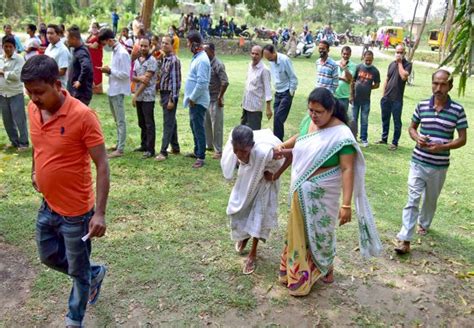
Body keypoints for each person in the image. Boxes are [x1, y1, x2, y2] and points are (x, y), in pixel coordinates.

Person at [21, 54, 110, 327]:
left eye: (39, 92)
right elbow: (38, 145)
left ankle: (74, 319)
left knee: (77, 272)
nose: (34, 99)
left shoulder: (83, 116)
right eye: (30, 92)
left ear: (57, 84)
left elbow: (103, 165)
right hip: (48, 205)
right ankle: (92, 272)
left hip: (77, 213)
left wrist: (101, 214)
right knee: (47, 256)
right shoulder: (32, 109)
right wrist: (35, 170)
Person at [272, 87, 382, 296]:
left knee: (322, 232)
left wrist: (346, 204)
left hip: (325, 191)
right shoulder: (309, 121)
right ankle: (297, 274)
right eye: (311, 110)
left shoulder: (341, 134)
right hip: (300, 188)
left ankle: (326, 267)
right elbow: (301, 138)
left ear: (331, 109)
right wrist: (283, 146)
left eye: (318, 111)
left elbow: (347, 168)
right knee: (299, 231)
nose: (313, 115)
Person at [394, 70, 468, 255]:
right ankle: (405, 239)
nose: (438, 88)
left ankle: (424, 223)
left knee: (430, 200)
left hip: (439, 166)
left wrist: (443, 147)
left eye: (443, 84)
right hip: (418, 161)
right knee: (412, 199)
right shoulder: (422, 105)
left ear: (450, 86)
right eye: (435, 83)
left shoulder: (457, 110)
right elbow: (411, 128)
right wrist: (417, 138)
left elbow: (462, 139)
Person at [221, 125, 284, 274]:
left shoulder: (264, 153)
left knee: (258, 216)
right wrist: (239, 155)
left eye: (244, 151)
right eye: (236, 150)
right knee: (241, 208)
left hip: (266, 182)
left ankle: (253, 253)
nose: (240, 155)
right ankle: (244, 236)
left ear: (252, 147)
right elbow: (234, 165)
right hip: (248, 179)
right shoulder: (234, 147)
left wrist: (276, 174)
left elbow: (291, 155)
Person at [98, 28, 131, 158]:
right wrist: (107, 70)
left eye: (104, 43)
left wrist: (110, 71)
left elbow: (125, 74)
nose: (104, 46)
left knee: (120, 120)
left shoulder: (122, 53)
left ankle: (121, 149)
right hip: (112, 89)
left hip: (118, 90)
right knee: (117, 120)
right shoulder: (114, 52)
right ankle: (118, 143)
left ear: (110, 40)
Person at [376, 44, 412, 150]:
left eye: (401, 52)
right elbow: (387, 79)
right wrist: (383, 95)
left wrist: (400, 63)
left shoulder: (407, 64)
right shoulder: (391, 64)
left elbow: (404, 76)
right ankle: (384, 138)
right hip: (387, 97)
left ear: (404, 53)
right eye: (397, 52)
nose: (399, 54)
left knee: (397, 121)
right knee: (385, 119)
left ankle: (395, 142)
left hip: (397, 99)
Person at [183, 31, 210, 169]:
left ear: (194, 43)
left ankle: (201, 156)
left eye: (188, 43)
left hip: (198, 101)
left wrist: (192, 98)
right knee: (194, 126)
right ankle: (197, 150)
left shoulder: (203, 60)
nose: (187, 45)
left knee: (198, 128)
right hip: (194, 100)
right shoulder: (197, 57)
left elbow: (202, 83)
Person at [263, 44, 298, 141]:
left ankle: (278, 142)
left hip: (286, 92)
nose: (269, 60)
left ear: (274, 52)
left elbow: (293, 77)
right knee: (277, 118)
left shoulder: (284, 60)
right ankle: (277, 140)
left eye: (269, 57)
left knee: (279, 117)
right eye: (266, 58)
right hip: (278, 92)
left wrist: (291, 92)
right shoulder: (271, 61)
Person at [155, 36, 181, 162]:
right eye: (162, 42)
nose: (164, 45)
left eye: (167, 43)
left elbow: (176, 82)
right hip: (164, 93)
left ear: (172, 45)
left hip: (170, 94)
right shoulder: (164, 59)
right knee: (171, 121)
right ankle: (175, 147)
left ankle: (163, 151)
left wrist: (172, 99)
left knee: (168, 123)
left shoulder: (174, 60)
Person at [0, 36, 29, 151]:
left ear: (14, 47)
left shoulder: (19, 59)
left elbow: (17, 76)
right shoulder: (1, 58)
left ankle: (24, 143)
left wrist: (2, 72)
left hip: (15, 93)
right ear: (2, 46)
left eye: (10, 47)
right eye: (5, 46)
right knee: (7, 120)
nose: (7, 49)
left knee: (19, 119)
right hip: (2, 94)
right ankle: (14, 141)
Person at [132, 37, 158, 159]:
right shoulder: (137, 60)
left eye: (145, 46)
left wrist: (135, 94)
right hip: (139, 96)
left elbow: (146, 81)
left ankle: (150, 149)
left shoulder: (152, 60)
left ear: (149, 46)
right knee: (141, 122)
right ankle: (144, 144)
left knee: (149, 123)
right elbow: (133, 76)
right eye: (141, 45)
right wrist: (139, 78)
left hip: (148, 96)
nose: (143, 48)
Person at [203, 43, 229, 159]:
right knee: (206, 123)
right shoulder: (205, 63)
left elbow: (225, 82)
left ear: (212, 52)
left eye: (206, 51)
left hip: (215, 99)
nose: (204, 53)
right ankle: (209, 145)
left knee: (216, 125)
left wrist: (220, 97)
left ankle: (218, 150)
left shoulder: (218, 64)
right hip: (206, 98)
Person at [351, 50, 380, 147]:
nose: (368, 62)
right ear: (363, 57)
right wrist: (351, 94)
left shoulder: (375, 71)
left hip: (366, 100)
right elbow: (353, 81)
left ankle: (364, 138)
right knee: (354, 119)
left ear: (372, 59)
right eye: (366, 60)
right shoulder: (358, 67)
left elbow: (377, 84)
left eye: (370, 60)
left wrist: (368, 87)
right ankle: (353, 137)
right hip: (355, 98)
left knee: (364, 120)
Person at [241, 45, 272, 131]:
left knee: (253, 132)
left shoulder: (264, 70)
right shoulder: (250, 65)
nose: (254, 56)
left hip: (255, 108)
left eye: (257, 54)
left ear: (261, 56)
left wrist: (268, 108)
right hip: (246, 105)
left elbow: (268, 89)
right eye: (252, 53)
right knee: (242, 131)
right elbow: (248, 84)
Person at [66, 26, 93, 105]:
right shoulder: (77, 50)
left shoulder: (81, 52)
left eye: (68, 38)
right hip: (76, 93)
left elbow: (87, 66)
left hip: (80, 94)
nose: (66, 41)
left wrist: (80, 81)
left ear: (74, 38)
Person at [44, 24, 70, 89]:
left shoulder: (62, 50)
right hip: (49, 84)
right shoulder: (49, 46)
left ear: (58, 34)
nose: (49, 36)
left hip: (59, 87)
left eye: (51, 33)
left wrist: (46, 74)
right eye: (47, 33)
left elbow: (62, 71)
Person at [334, 46, 356, 115]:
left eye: (347, 54)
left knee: (342, 118)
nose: (345, 56)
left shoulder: (353, 65)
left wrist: (344, 68)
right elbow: (333, 77)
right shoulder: (335, 63)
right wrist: (343, 78)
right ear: (341, 54)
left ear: (350, 54)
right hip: (334, 95)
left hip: (344, 97)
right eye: (344, 54)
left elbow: (350, 79)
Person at [85, 22, 104, 94]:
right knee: (90, 70)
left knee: (97, 70)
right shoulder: (90, 36)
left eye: (95, 27)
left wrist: (86, 44)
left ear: (98, 28)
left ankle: (97, 89)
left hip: (96, 56)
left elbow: (94, 46)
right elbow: (89, 45)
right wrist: (88, 44)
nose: (94, 29)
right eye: (92, 27)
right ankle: (90, 87)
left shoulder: (99, 37)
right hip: (90, 55)